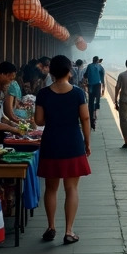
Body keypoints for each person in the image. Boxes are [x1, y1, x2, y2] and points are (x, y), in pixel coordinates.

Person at [35, 55, 91, 244]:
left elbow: (39, 121)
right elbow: (85, 118)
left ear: (51, 72)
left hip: (51, 143)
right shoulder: (77, 93)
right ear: (69, 72)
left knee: (51, 189)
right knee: (71, 188)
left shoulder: (43, 94)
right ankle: (69, 231)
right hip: (73, 144)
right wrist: (87, 143)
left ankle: (51, 227)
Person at [82, 56, 105, 131]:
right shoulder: (100, 66)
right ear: (97, 61)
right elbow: (102, 77)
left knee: (91, 101)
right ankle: (94, 117)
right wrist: (103, 89)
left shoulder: (89, 66)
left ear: (92, 60)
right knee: (97, 101)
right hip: (98, 86)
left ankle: (91, 117)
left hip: (91, 86)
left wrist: (85, 82)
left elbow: (85, 75)